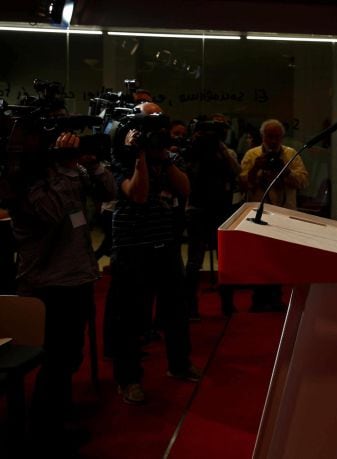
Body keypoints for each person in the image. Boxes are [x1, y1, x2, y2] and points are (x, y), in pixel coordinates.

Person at [9, 130, 116, 455]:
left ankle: (59, 413)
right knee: (55, 361)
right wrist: (61, 166)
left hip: (76, 277)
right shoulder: (27, 183)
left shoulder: (65, 173)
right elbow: (53, 213)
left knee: (69, 356)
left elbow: (110, 192)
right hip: (49, 285)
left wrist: (93, 163)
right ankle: (45, 434)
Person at [106, 102, 200, 405]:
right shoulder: (121, 156)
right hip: (133, 246)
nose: (156, 132)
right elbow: (138, 193)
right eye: (149, 125)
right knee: (131, 317)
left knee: (176, 309)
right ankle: (128, 379)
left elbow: (185, 188)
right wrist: (141, 157)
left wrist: (162, 157)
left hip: (166, 242)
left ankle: (179, 364)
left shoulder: (168, 155)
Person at [240, 119, 309, 311]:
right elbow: (243, 183)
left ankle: (276, 297)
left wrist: (285, 171)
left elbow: (303, 181)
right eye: (269, 137)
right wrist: (256, 167)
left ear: (282, 137)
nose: (273, 141)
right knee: (260, 256)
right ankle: (259, 298)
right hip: (258, 213)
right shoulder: (252, 154)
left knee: (279, 257)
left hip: (284, 212)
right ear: (262, 137)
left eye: (277, 137)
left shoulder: (289, 154)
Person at [183, 117, 241, 318]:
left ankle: (227, 304)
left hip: (219, 209)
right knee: (195, 261)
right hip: (199, 209)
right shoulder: (192, 152)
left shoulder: (224, 152)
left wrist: (220, 146)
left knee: (224, 259)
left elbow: (236, 171)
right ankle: (191, 306)